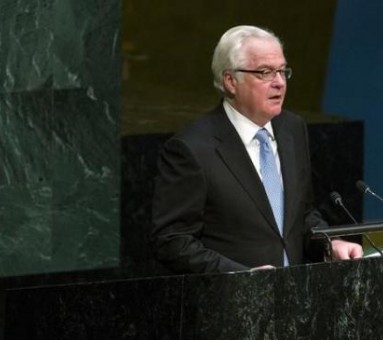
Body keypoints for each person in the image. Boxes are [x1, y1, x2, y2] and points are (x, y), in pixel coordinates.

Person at [151, 25, 362, 274]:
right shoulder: (192, 148)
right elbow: (173, 241)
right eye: (265, 73)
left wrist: (330, 244)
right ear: (230, 81)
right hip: (232, 305)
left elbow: (300, 216)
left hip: (296, 298)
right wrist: (241, 277)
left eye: (283, 71)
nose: (280, 83)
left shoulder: (292, 128)